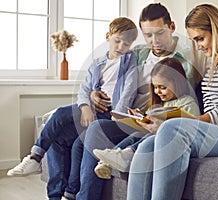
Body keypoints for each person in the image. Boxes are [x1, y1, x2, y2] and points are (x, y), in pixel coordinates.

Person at [75, 3, 218, 200]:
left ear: (217, 29)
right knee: (146, 145)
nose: (199, 45)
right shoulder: (207, 62)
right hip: (217, 131)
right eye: (195, 40)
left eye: (201, 38)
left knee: (171, 129)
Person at [7, 17, 138, 200]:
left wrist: (117, 114)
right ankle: (55, 195)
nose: (121, 47)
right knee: (57, 132)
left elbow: (129, 90)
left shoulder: (130, 60)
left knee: (72, 132)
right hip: (93, 108)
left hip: (110, 113)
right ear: (108, 36)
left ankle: (36, 158)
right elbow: (84, 89)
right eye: (117, 41)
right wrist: (86, 105)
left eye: (126, 43)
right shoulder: (97, 63)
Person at [93, 57, 200, 179]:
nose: (158, 91)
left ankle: (125, 155)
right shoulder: (159, 104)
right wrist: (138, 117)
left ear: (177, 83)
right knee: (136, 134)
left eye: (163, 87)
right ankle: (109, 160)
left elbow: (194, 127)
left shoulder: (187, 102)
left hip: (170, 140)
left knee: (147, 135)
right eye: (155, 87)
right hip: (150, 136)